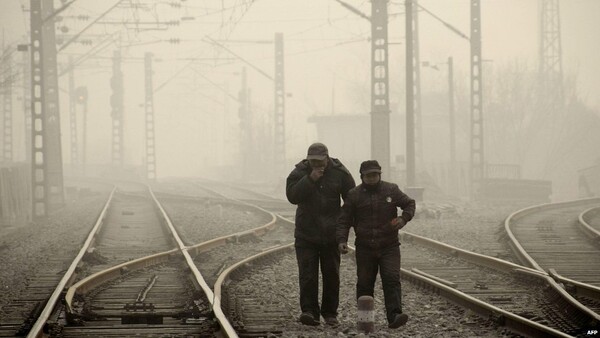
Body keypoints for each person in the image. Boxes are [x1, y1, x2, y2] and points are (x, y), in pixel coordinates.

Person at [337, 160, 416, 329]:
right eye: (368, 175)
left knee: (392, 278)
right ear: (362, 176)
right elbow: (344, 220)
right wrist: (342, 240)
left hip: (389, 246)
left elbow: (410, 203)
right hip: (365, 247)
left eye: (375, 175)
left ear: (380, 175)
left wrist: (404, 218)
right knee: (365, 283)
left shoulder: (391, 190)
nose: (372, 178)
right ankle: (365, 321)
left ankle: (394, 316)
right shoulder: (354, 195)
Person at [286, 142, 356, 326]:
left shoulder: (340, 172)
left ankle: (330, 313)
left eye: (319, 161)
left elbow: (352, 200)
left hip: (331, 235)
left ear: (327, 157)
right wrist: (310, 179)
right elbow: (292, 196)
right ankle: (309, 312)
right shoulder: (300, 172)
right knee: (308, 275)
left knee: (331, 274)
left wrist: (343, 228)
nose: (316, 164)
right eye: (312, 161)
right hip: (306, 234)